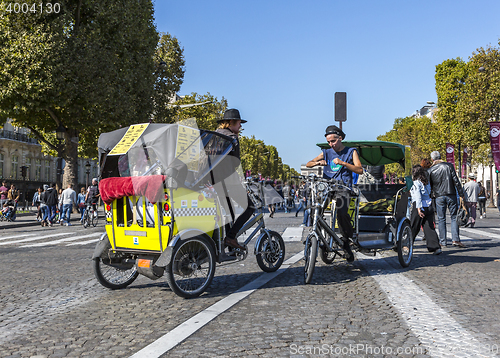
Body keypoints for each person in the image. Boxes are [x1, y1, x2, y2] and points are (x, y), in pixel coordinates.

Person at [306, 125, 363, 261]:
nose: (331, 144)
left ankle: (346, 240)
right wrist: (317, 163)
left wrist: (343, 163)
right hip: (327, 187)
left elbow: (359, 170)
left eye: (333, 141)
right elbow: (308, 163)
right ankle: (318, 235)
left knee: (342, 212)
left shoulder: (351, 151)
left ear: (340, 138)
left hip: (343, 188)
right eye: (329, 142)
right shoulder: (326, 152)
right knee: (315, 210)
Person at [215, 108, 252, 250]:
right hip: (228, 181)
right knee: (250, 207)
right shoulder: (232, 139)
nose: (240, 126)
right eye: (239, 123)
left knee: (228, 212)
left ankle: (229, 245)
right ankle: (230, 238)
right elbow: (235, 163)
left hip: (214, 182)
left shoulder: (213, 137)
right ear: (231, 123)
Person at [427, 151, 466, 248]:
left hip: (438, 196)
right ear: (441, 157)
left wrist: (430, 196)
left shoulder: (430, 170)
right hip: (451, 193)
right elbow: (455, 180)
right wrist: (461, 194)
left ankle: (443, 241)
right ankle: (455, 239)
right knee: (454, 217)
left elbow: (429, 186)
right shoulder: (449, 166)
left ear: (432, 159)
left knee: (441, 219)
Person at [409, 165, 441, 255]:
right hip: (429, 205)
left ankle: (406, 244)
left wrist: (418, 209)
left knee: (414, 226)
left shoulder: (416, 182)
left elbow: (418, 196)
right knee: (429, 227)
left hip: (420, 205)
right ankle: (435, 247)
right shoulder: (426, 182)